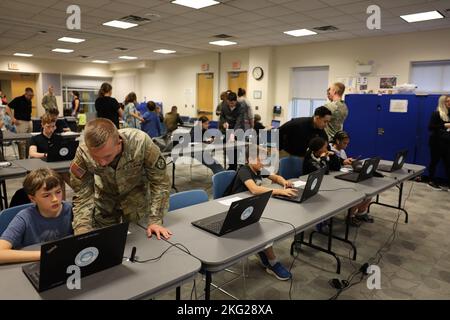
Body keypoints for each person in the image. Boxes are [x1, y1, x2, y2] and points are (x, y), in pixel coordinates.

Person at [70, 118, 172, 239]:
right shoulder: (83, 153)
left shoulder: (140, 142)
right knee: (107, 245)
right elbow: (82, 195)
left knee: (143, 245)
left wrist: (155, 220)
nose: (102, 163)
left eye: (107, 156)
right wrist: (82, 229)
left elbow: (160, 182)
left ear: (119, 143)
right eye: (95, 157)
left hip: (137, 203)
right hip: (105, 205)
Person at [227, 145, 296, 280]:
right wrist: (280, 191)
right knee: (262, 228)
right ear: (250, 159)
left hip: (250, 206)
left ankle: (262, 251)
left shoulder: (259, 169)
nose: (264, 162)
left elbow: (275, 177)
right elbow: (254, 189)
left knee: (266, 222)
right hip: (235, 208)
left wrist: (284, 182)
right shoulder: (244, 170)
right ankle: (272, 262)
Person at [0, 169, 72, 265]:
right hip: (33, 264)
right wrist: (46, 255)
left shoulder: (71, 210)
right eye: (46, 195)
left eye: (58, 192)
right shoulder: (24, 217)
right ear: (32, 199)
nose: (55, 199)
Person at [303, 137, 373, 227]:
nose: (327, 149)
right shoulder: (310, 158)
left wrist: (333, 156)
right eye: (325, 147)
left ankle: (353, 214)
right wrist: (324, 158)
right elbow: (324, 170)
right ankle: (322, 219)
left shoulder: (322, 154)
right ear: (319, 149)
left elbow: (336, 167)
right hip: (310, 184)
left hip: (323, 182)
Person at [428, 95, 450, 190]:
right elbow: (431, 127)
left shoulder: (449, 114)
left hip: (447, 142)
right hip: (437, 142)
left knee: (448, 163)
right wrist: (444, 125)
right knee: (434, 161)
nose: (449, 103)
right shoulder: (436, 113)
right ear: (442, 103)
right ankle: (431, 180)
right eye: (447, 101)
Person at [219, 92, 245, 170]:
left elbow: (239, 122)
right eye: (230, 103)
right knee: (228, 149)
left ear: (236, 101)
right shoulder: (224, 106)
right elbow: (222, 116)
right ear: (227, 101)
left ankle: (235, 167)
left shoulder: (241, 108)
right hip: (228, 129)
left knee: (236, 149)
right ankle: (231, 165)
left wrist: (233, 134)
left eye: (233, 103)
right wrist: (224, 122)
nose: (231, 105)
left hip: (238, 130)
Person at [6, 87, 34, 159]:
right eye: (30, 95)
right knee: (22, 142)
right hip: (21, 123)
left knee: (29, 141)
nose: (31, 97)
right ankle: (22, 159)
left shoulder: (29, 101)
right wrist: (13, 118)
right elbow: (7, 107)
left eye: (32, 95)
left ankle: (27, 157)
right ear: (26, 94)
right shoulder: (18, 99)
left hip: (29, 121)